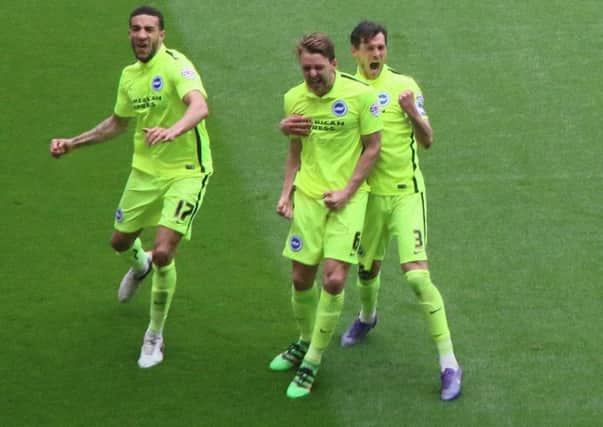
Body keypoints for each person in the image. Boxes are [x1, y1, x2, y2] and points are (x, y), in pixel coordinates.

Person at [280, 21, 462, 401]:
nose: (377, 54)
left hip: (405, 194)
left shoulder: (404, 86)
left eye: (381, 47)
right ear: (354, 53)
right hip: (366, 197)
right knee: (366, 270)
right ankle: (366, 317)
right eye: (369, 48)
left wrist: (412, 111)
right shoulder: (347, 91)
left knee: (415, 277)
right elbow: (318, 136)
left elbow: (428, 140)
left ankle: (448, 363)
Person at [49, 6, 212, 369]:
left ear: (162, 35)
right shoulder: (129, 77)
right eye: (136, 29)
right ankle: (141, 267)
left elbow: (199, 106)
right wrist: (73, 143)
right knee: (120, 242)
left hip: (187, 171)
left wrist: (174, 130)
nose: (141, 35)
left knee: (165, 251)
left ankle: (154, 336)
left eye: (149, 29)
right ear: (129, 34)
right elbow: (117, 124)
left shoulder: (175, 64)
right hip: (145, 173)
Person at [270, 33, 382, 399]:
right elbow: (295, 152)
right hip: (309, 198)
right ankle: (305, 340)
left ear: (334, 63)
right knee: (301, 278)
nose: (313, 75)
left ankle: (312, 361)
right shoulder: (294, 98)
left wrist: (347, 191)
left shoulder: (361, 96)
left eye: (319, 67)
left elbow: (373, 149)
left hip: (349, 201)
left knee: (333, 280)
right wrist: (286, 193)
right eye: (306, 68)